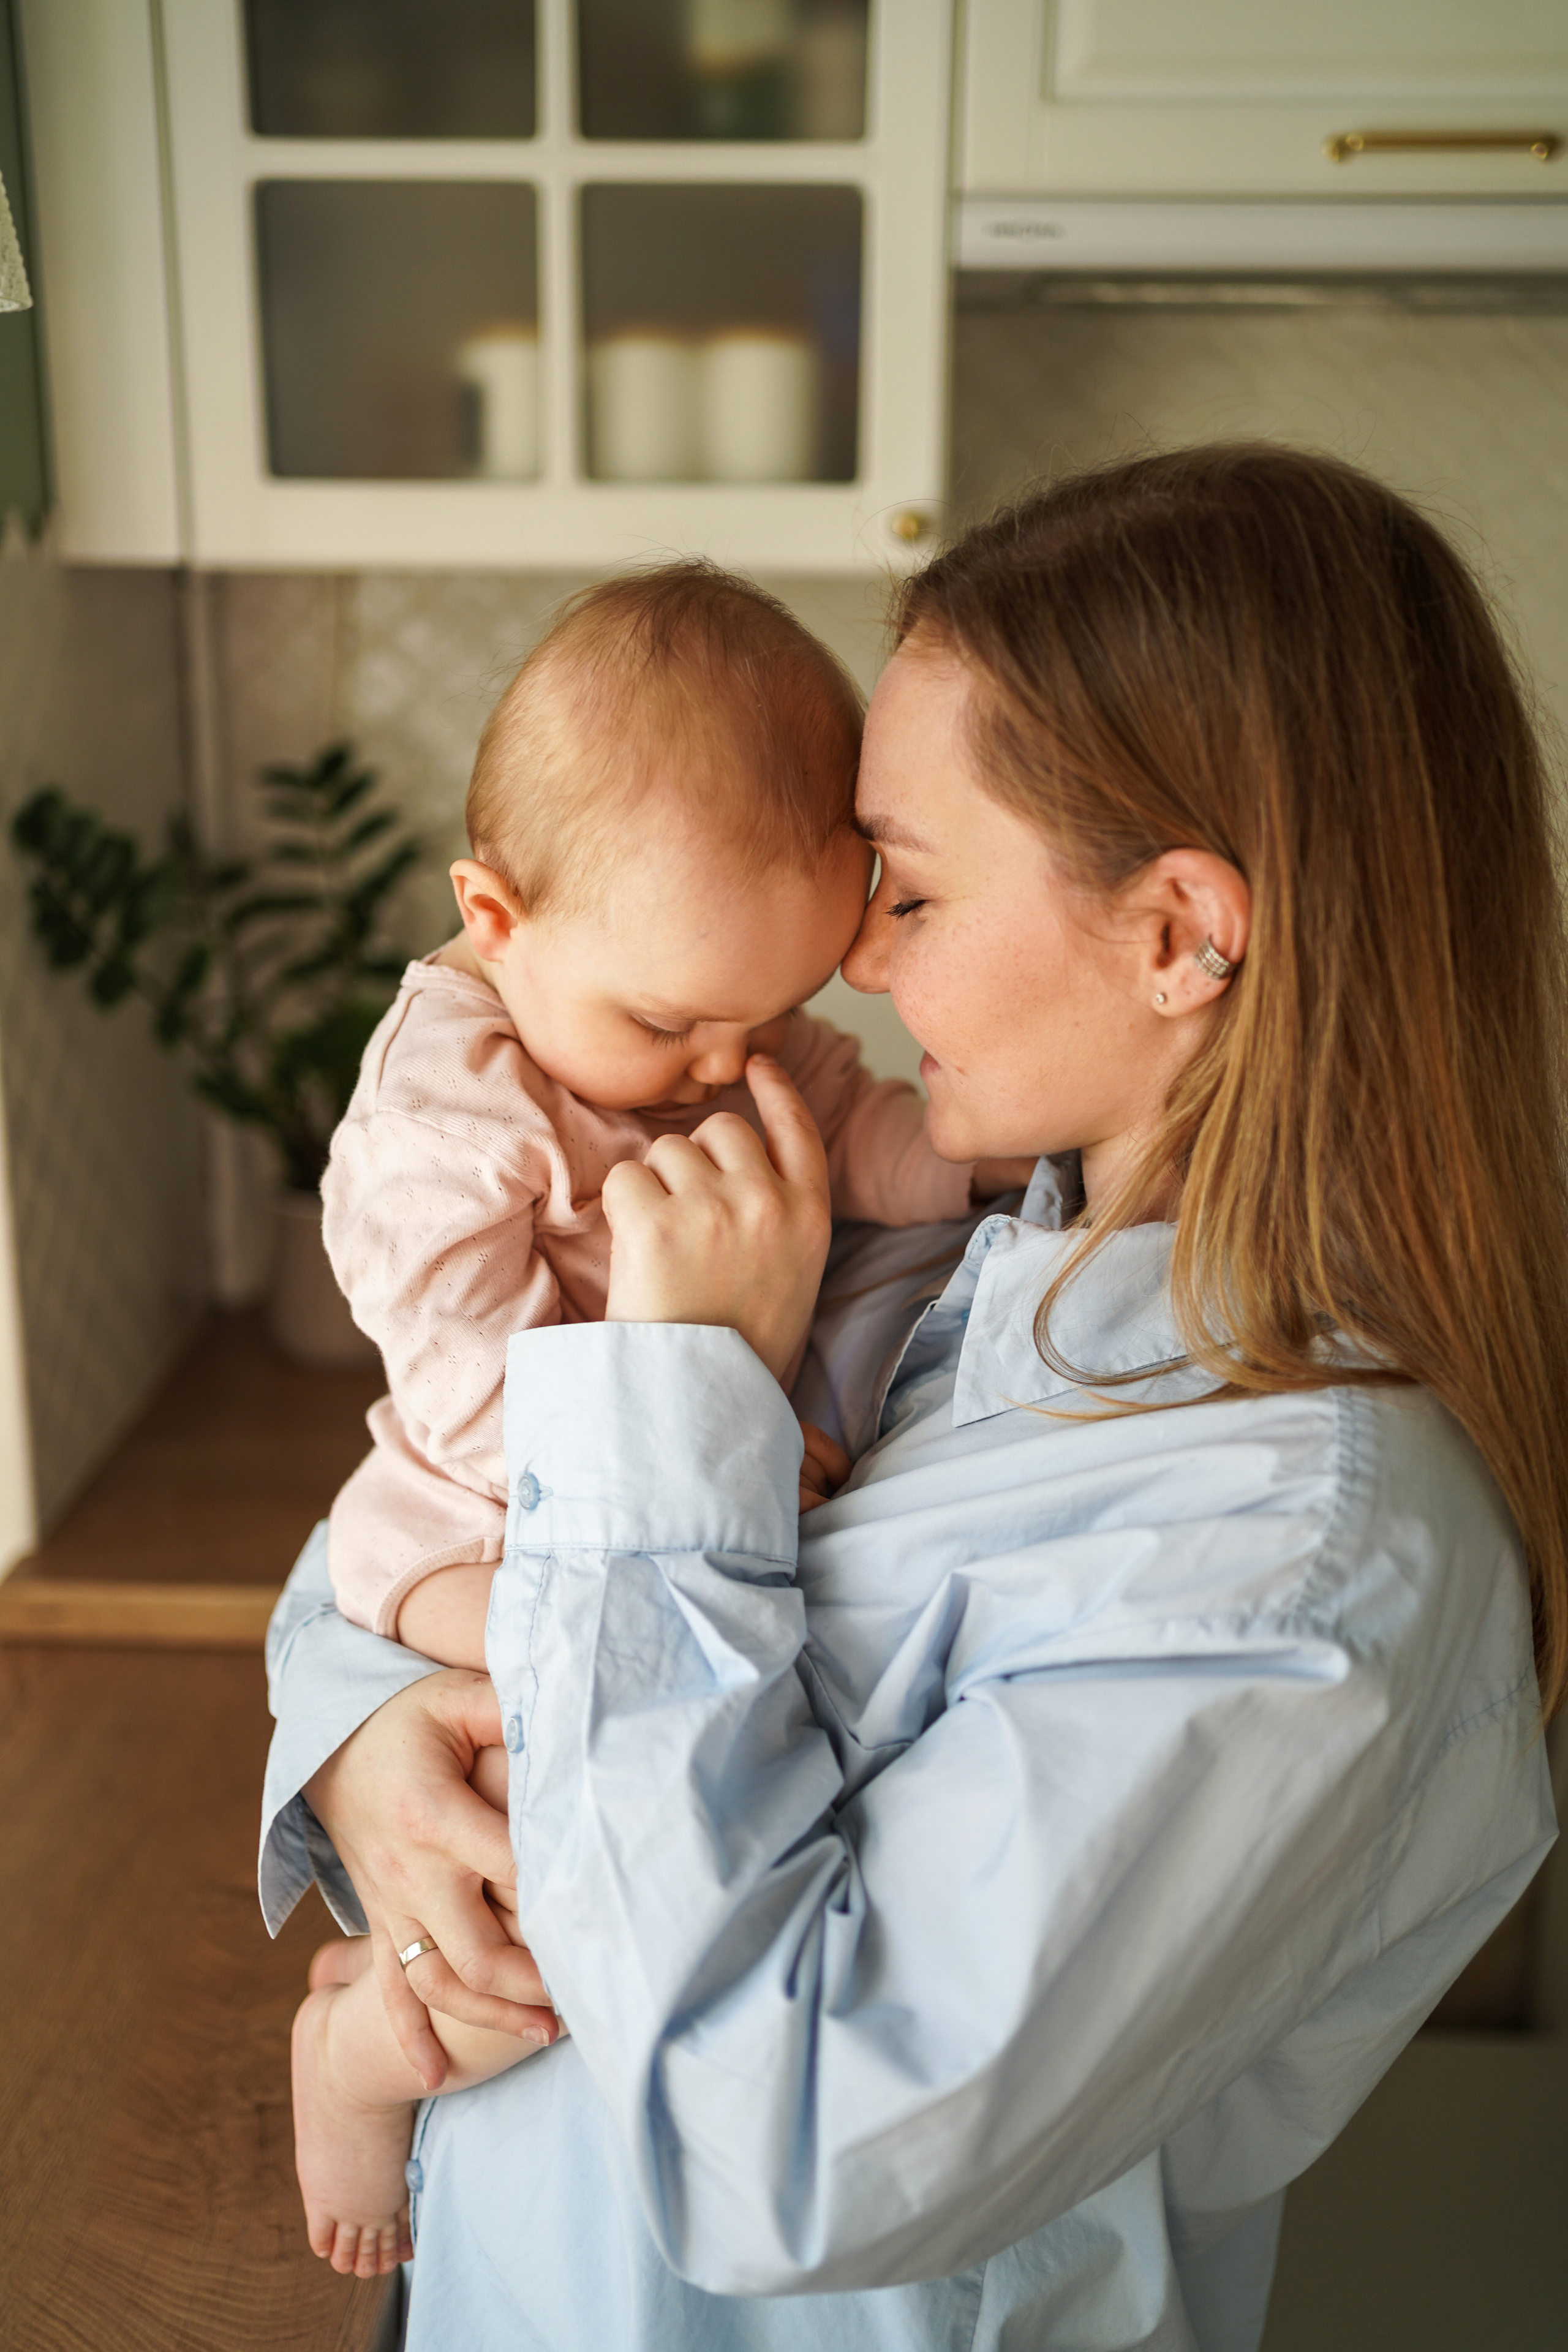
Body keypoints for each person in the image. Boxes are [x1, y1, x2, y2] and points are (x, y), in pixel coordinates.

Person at [261, 444, 1566, 2350]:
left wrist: (676, 1403)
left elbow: (779, 2148)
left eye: (914, 891)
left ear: (1184, 932)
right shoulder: (972, 1269)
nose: (854, 956)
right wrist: (369, 1748)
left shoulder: (1290, 1561)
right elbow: (407, 1504)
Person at [293, 562, 1031, 2271]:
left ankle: (369, 1988)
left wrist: (988, 1144)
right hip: (468, 1522)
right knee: (586, 1762)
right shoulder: (447, 1120)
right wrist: (695, 1409)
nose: (723, 1065)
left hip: (648, 1496)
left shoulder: (722, 1021)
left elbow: (880, 1146)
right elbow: (458, 1383)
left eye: (767, 1016)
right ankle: (353, 2057)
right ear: (496, 918)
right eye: (667, 1022)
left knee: (611, 1794)